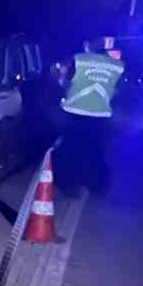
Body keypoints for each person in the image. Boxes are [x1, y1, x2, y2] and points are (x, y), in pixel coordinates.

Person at [57, 37, 124, 192]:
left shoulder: (79, 60)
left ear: (88, 44)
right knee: (95, 150)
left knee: (71, 150)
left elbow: (64, 82)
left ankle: (70, 186)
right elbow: (119, 90)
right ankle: (97, 186)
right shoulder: (118, 66)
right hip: (101, 114)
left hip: (75, 112)